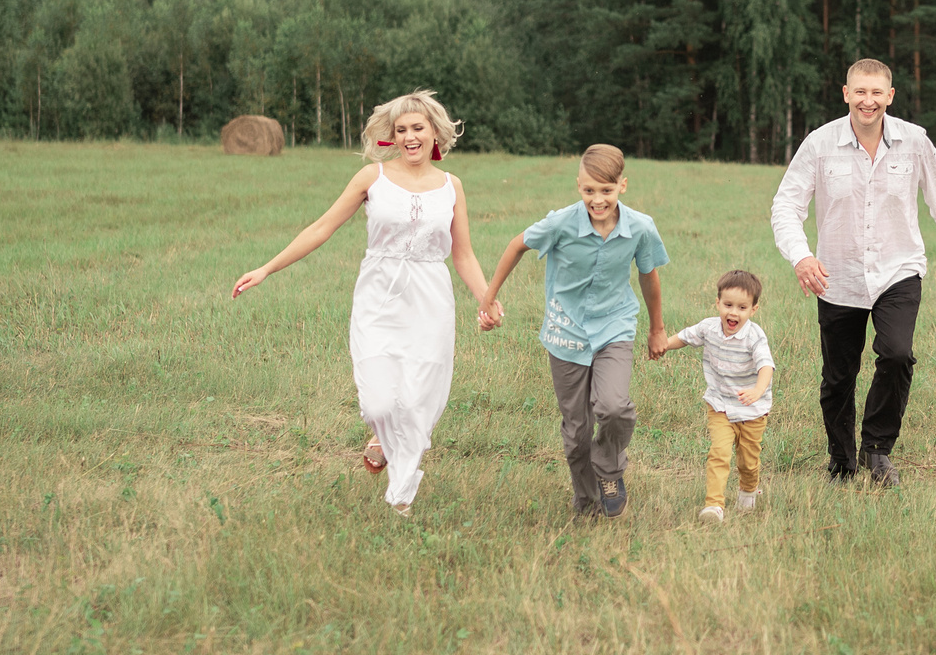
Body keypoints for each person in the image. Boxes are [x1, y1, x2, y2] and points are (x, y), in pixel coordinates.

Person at [230, 91, 501, 517]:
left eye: (417, 128)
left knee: (416, 400)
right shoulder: (371, 178)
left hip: (431, 298)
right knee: (378, 401)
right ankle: (381, 433)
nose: (410, 136)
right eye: (401, 130)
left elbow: (462, 254)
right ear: (391, 137)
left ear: (434, 132)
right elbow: (321, 228)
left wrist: (486, 300)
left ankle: (402, 494)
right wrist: (267, 269)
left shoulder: (452, 187)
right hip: (379, 295)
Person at [769, 59, 936, 487]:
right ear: (846, 94)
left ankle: (878, 452)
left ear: (890, 96)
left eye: (877, 93)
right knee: (838, 376)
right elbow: (786, 206)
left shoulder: (914, 141)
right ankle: (841, 462)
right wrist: (801, 257)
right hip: (836, 274)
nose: (869, 101)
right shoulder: (819, 143)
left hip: (898, 269)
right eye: (860, 92)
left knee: (897, 354)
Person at [484, 145, 669, 520]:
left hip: (615, 326)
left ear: (623, 185)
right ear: (578, 186)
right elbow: (517, 245)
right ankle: (586, 501)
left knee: (614, 406)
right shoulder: (561, 223)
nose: (597, 200)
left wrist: (657, 329)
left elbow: (649, 276)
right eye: (588, 191)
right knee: (577, 428)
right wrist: (489, 298)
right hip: (565, 332)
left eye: (606, 190)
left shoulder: (641, 227)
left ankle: (610, 470)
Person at [654, 268, 776, 524]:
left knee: (748, 461)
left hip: (752, 410)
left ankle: (748, 490)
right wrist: (664, 346)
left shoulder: (755, 336)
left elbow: (766, 366)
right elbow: (685, 337)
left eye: (742, 307)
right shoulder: (709, 328)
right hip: (720, 405)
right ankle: (714, 505)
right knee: (719, 453)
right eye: (728, 304)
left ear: (753, 310)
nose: (733, 312)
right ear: (717, 303)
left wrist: (757, 390)